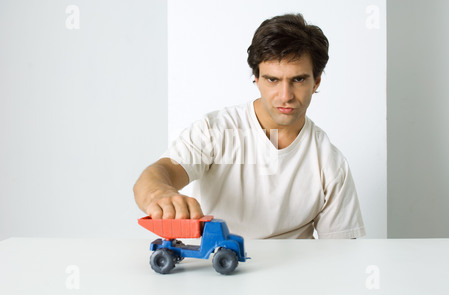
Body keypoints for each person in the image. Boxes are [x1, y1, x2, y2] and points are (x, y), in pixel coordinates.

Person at [133, 13, 366, 239]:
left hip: (295, 274)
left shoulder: (330, 162)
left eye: (298, 79)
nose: (285, 96)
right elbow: (159, 172)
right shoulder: (216, 131)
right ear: (256, 79)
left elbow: (340, 255)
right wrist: (160, 193)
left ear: (316, 82)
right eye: (272, 80)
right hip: (219, 266)